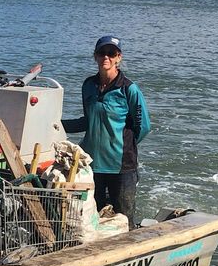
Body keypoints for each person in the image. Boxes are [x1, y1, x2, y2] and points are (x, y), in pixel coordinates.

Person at [62, 34, 151, 227]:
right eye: (102, 52)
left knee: (124, 219)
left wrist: (122, 145)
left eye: (112, 53)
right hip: (92, 165)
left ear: (119, 57)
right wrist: (56, 124)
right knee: (93, 220)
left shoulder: (129, 89)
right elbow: (89, 121)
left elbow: (143, 126)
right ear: (95, 56)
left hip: (121, 166)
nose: (106, 57)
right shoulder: (88, 86)